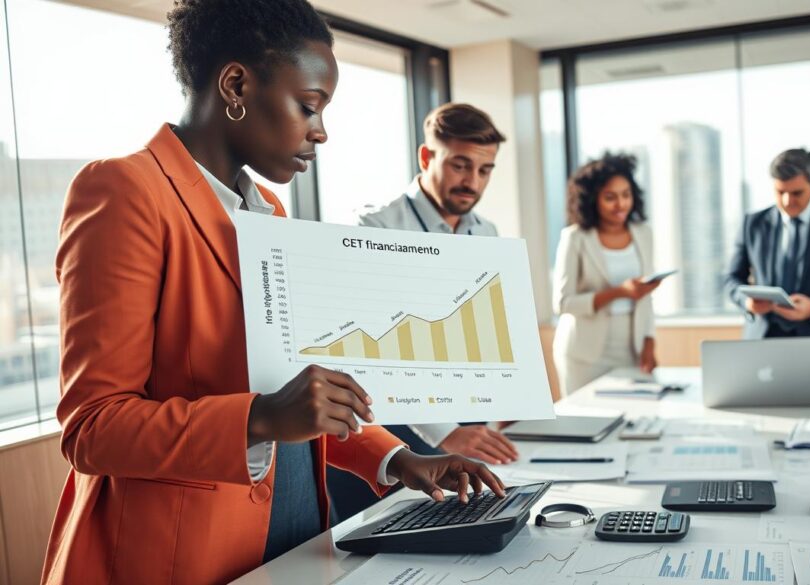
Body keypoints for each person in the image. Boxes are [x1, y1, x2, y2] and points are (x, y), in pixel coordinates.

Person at [42, 2, 503, 584]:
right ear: (235, 84)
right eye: (309, 106)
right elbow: (93, 429)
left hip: (300, 527)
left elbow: (301, 392)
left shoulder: (271, 214)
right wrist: (259, 417)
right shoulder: (126, 191)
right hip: (184, 551)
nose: (321, 130)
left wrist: (398, 458)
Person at [353, 103, 519, 466]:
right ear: (426, 157)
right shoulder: (375, 228)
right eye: (460, 165)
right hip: (401, 426)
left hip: (472, 414)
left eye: (484, 170)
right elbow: (373, 349)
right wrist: (444, 431)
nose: (472, 182)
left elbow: (490, 330)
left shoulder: (487, 232)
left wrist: (507, 403)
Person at [724, 148, 810, 356]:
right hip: (762, 343)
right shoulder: (752, 224)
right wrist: (746, 302)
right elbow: (731, 279)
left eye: (796, 193)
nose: (787, 201)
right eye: (780, 192)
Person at [552, 153, 660, 395]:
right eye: (610, 197)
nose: (620, 204)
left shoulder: (643, 234)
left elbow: (646, 297)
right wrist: (619, 292)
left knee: (634, 418)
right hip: (584, 352)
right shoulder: (575, 238)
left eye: (626, 195)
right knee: (585, 422)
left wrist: (649, 342)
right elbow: (563, 303)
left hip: (631, 347)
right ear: (592, 200)